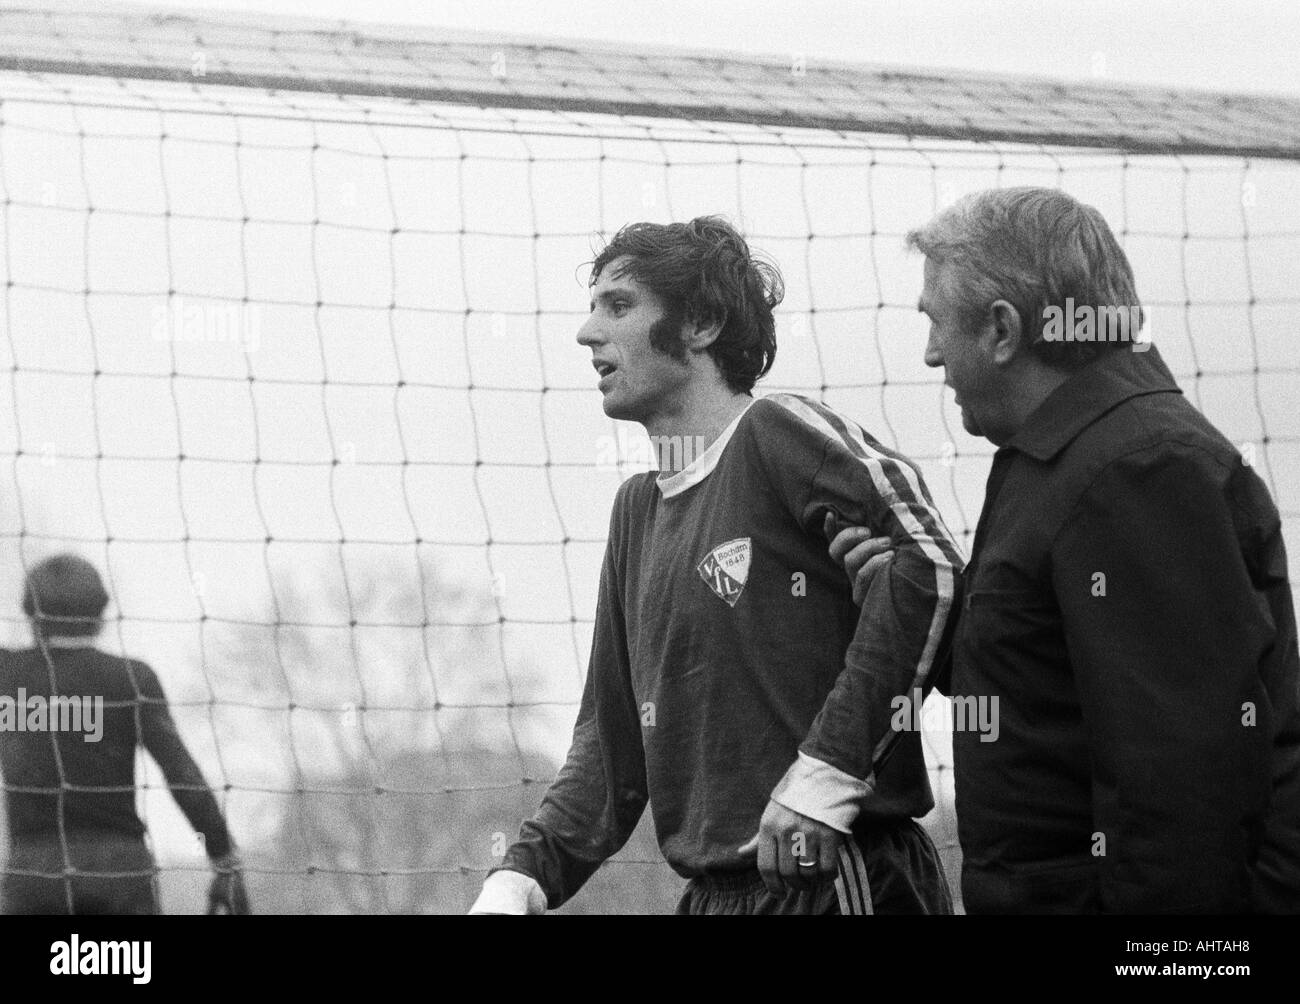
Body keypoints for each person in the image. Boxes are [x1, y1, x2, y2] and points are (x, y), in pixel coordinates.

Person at [470, 216, 962, 915]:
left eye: (618, 305)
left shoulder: (775, 434)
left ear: (699, 323)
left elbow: (930, 566)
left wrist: (827, 773)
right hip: (711, 897)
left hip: (835, 877)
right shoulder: (636, 512)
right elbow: (611, 746)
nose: (587, 332)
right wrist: (517, 879)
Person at [831, 186, 1300, 913]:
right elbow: (1058, 693)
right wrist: (930, 616)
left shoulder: (1137, 470)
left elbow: (1181, 789)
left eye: (935, 324)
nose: (929, 356)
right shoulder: (1060, 461)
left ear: (1002, 330)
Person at [0, 553, 249, 915]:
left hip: (36, 870)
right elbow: (181, 774)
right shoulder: (131, 679)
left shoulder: (7, 676)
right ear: (101, 613)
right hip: (120, 870)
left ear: (30, 614)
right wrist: (223, 855)